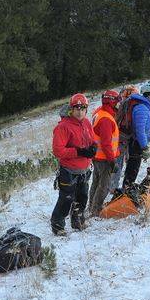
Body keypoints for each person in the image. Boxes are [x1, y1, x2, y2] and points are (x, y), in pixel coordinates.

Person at [50, 93, 96, 236]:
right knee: (66, 199)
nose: (80, 111)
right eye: (77, 108)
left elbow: (92, 139)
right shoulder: (63, 127)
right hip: (68, 171)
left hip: (84, 169)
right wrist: (79, 152)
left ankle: (78, 221)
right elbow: (58, 151)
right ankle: (57, 225)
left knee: (82, 197)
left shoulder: (87, 122)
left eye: (83, 108)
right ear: (71, 109)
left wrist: (94, 147)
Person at [119, 82, 150, 191]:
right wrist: (144, 147)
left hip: (136, 142)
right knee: (132, 168)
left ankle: (127, 189)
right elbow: (140, 130)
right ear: (149, 94)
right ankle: (126, 191)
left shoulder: (144, 106)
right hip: (136, 143)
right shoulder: (141, 108)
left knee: (133, 168)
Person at [88, 90, 121, 216]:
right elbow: (106, 143)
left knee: (96, 183)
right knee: (104, 186)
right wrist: (112, 161)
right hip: (104, 159)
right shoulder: (106, 119)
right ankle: (96, 210)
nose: (119, 104)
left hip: (97, 156)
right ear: (111, 102)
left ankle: (91, 207)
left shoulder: (99, 112)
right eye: (117, 101)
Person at [109, 85, 139, 194]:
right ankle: (113, 188)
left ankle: (113, 188)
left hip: (120, 138)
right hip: (126, 138)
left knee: (118, 164)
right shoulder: (130, 105)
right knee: (120, 163)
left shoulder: (122, 105)